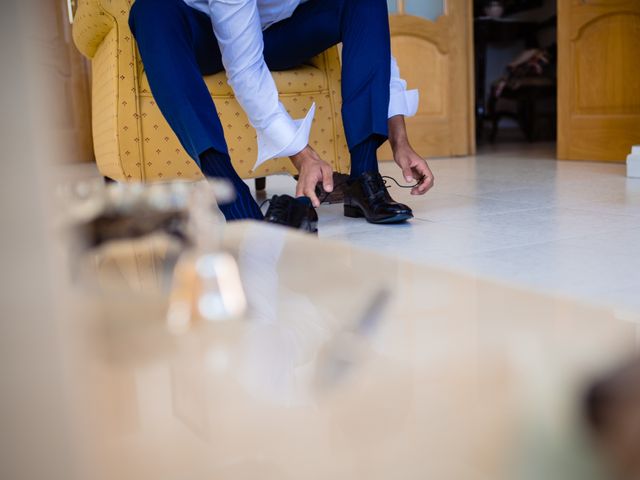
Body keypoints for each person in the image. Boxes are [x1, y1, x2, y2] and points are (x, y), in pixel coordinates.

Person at [129, 0, 435, 232]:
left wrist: (399, 137)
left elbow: (374, 39)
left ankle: (365, 178)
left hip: (278, 35)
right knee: (151, 9)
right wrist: (302, 154)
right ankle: (230, 192)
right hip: (203, 32)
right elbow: (244, 68)